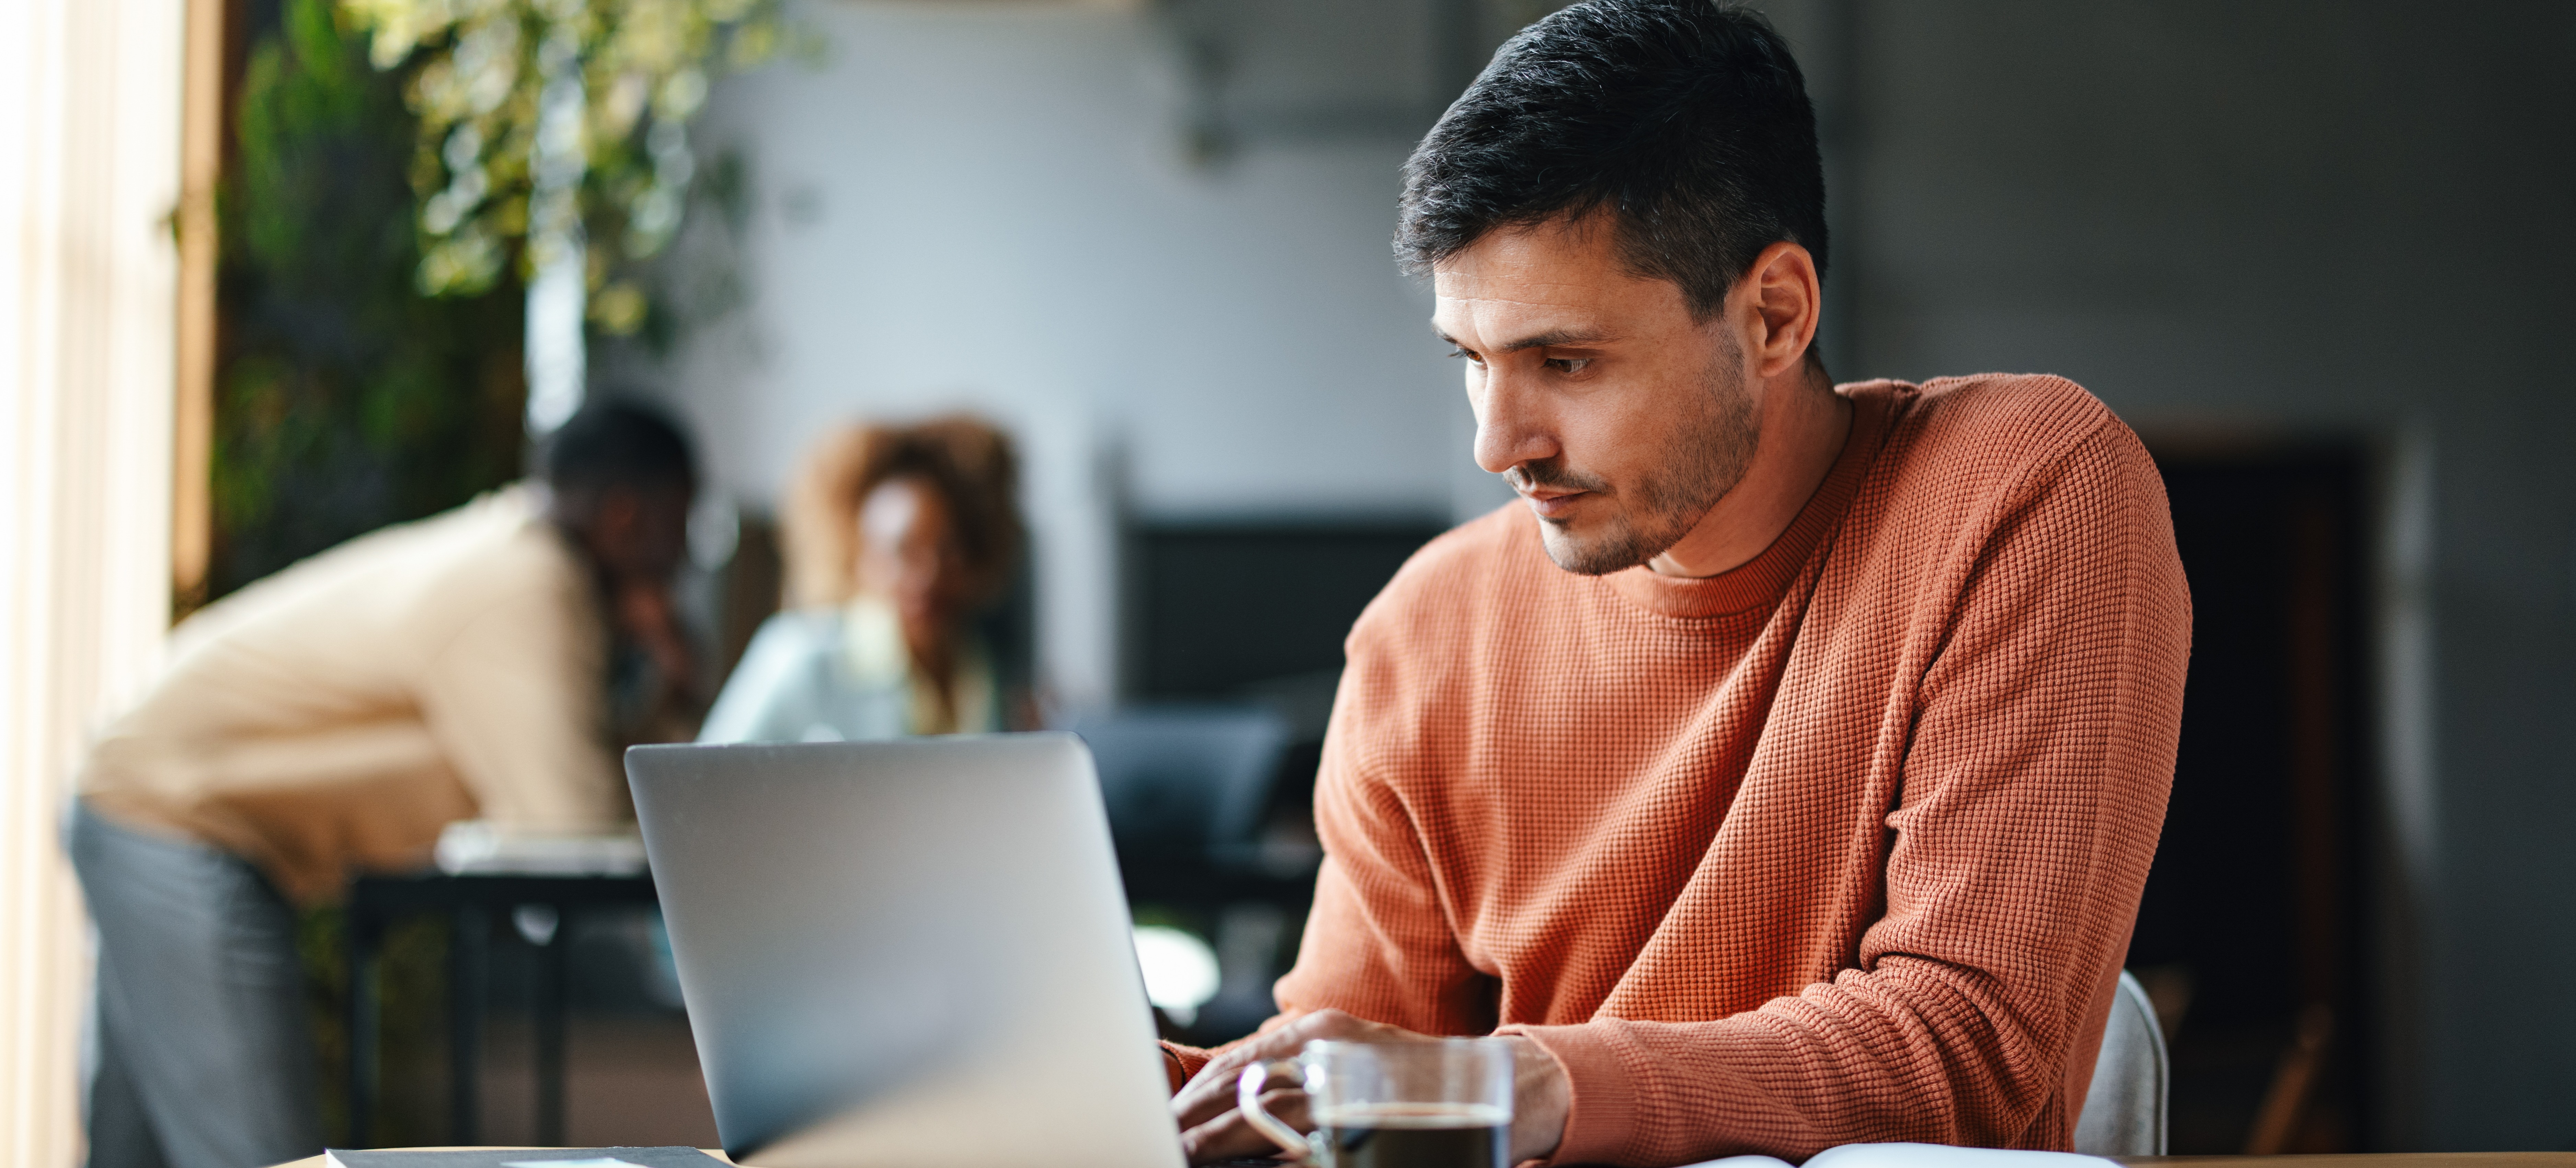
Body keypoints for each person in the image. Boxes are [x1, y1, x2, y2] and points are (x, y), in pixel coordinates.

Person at [1164, 3, 2191, 1165]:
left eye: (1564, 362)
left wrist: (1526, 1081)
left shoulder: (2021, 490)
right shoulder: (1425, 632)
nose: (1498, 446)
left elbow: (1965, 1052)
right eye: (1472, 363)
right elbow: (1347, 1088)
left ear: (1772, 315)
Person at [68, 399, 700, 1168]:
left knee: (131, 1151)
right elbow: (572, 822)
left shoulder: (514, 558)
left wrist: (657, 686)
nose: (686, 554)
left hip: (146, 800)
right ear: (629, 514)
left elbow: (560, 775)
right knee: (263, 1157)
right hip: (173, 816)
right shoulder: (525, 584)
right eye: (681, 522)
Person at [698, 416, 1023, 743]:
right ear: (859, 557)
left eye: (949, 550)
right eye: (903, 552)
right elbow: (701, 783)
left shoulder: (981, 663)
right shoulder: (798, 657)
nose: (929, 575)